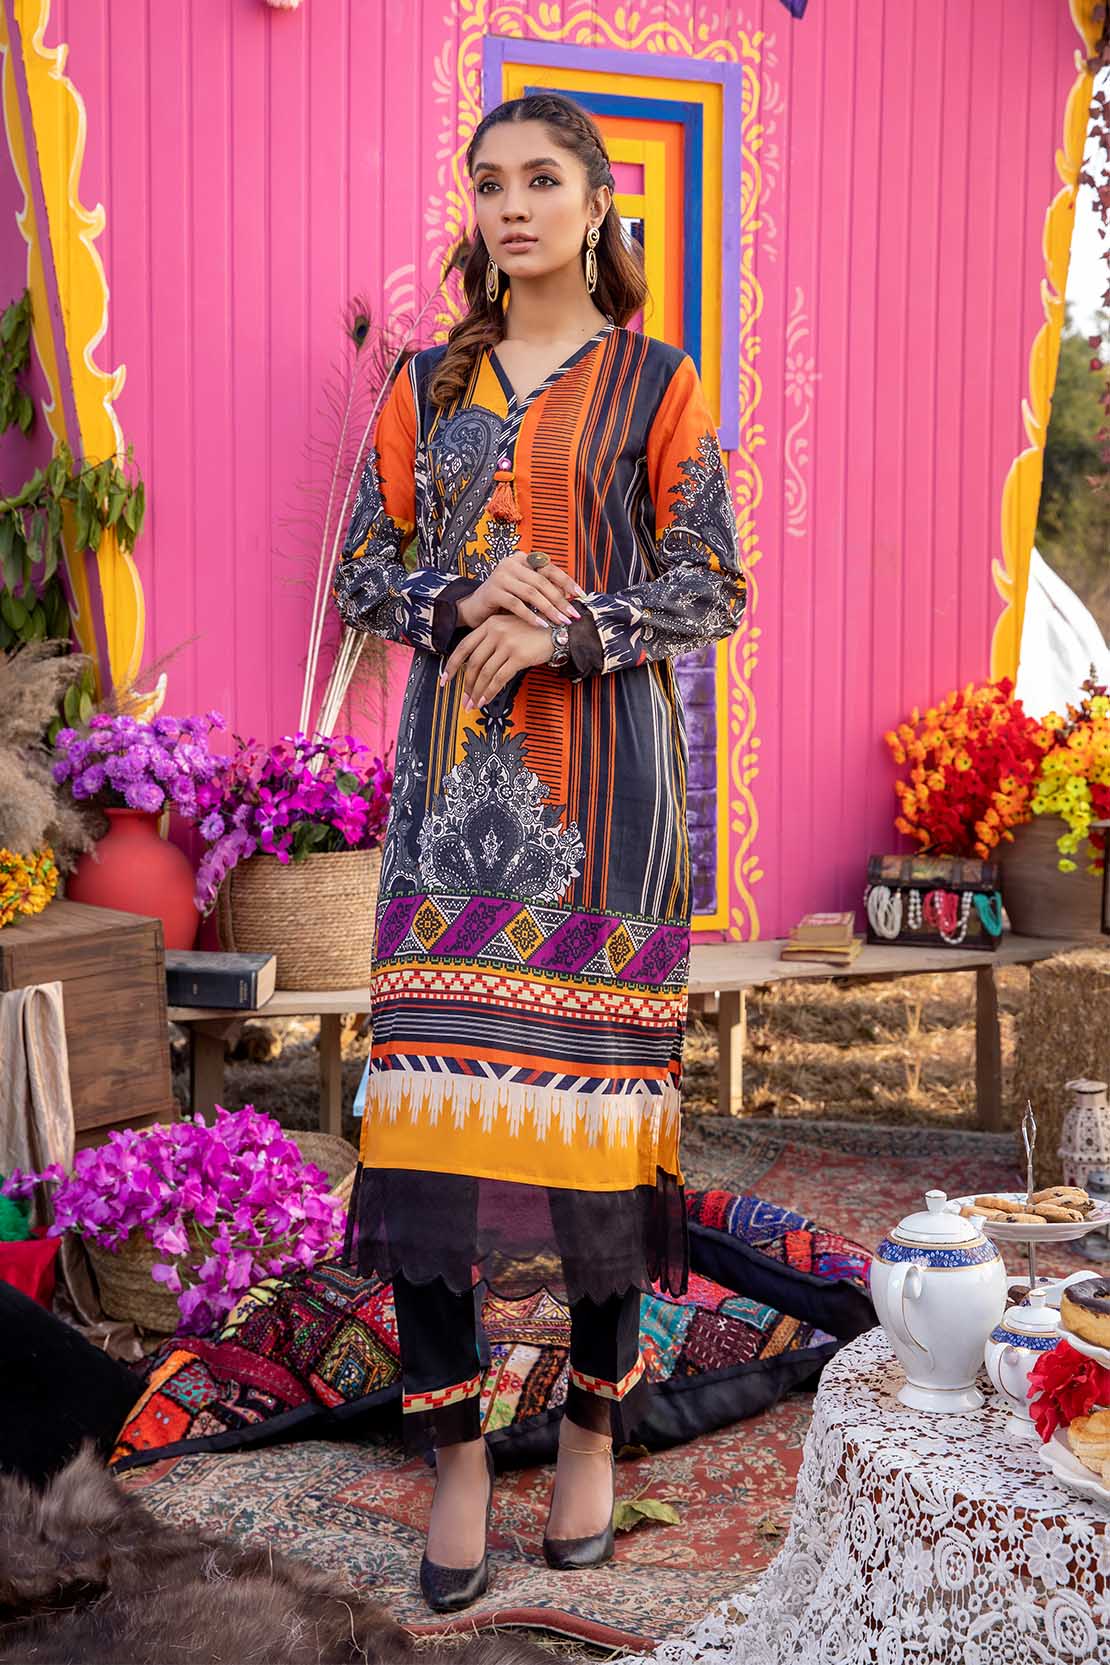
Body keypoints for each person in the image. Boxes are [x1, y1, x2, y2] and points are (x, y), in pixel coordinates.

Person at [333, 91, 746, 1613]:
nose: (510, 206)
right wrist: (460, 605)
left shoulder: (656, 383)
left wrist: (567, 627)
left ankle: (588, 1429)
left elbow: (712, 582)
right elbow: (363, 573)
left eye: (541, 180)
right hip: (449, 810)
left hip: (610, 815)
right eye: (488, 182)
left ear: (595, 202)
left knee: (592, 1140)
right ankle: (454, 1455)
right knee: (429, 1136)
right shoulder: (425, 385)